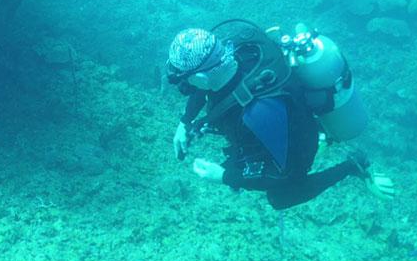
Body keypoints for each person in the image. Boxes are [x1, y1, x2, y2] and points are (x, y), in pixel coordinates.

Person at [165, 20, 395, 210]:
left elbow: (285, 175)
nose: (186, 88)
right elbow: (202, 88)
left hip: (295, 145)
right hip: (283, 113)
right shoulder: (238, 48)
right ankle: (324, 135)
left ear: (201, 79)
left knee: (280, 198)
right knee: (236, 163)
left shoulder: (258, 115)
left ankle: (351, 166)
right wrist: (185, 122)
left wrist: (223, 177)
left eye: (186, 81)